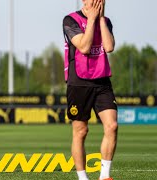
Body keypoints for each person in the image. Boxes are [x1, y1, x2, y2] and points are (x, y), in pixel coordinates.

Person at [63, 0, 117, 180]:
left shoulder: (106, 21)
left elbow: (109, 47)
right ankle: (83, 178)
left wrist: (100, 19)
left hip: (102, 81)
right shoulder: (70, 20)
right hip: (79, 82)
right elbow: (85, 47)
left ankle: (104, 176)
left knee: (112, 126)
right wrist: (92, 19)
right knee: (81, 131)